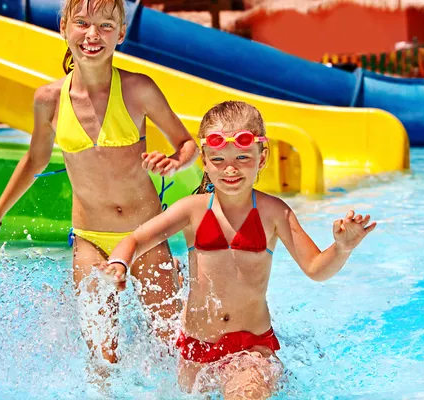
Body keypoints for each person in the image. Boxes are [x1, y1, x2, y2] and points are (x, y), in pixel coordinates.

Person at [0, 0, 198, 364]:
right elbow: (33, 161)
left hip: (147, 235)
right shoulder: (48, 100)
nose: (93, 35)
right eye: (82, 23)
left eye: (106, 26)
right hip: (91, 240)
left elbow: (188, 145)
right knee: (102, 359)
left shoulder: (139, 90)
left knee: (175, 345)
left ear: (121, 34)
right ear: (63, 27)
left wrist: (174, 163)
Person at [99, 101, 376, 398]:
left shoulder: (274, 213)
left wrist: (342, 248)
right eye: (218, 159)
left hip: (251, 350)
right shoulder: (192, 210)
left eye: (242, 157)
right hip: (196, 349)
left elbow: (316, 269)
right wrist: (120, 263)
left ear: (262, 157)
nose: (230, 168)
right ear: (204, 160)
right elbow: (136, 240)